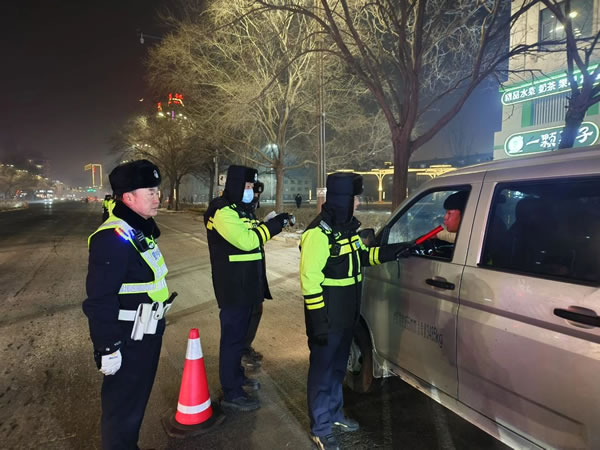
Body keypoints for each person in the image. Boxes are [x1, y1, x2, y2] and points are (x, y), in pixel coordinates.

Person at [299, 172, 411, 450]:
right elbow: (309, 280)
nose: (358, 203)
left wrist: (394, 251)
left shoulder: (348, 229)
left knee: (338, 369)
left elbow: (363, 257)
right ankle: (320, 427)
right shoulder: (318, 233)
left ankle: (334, 414)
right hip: (326, 318)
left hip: (347, 314)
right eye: (355, 199)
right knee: (322, 372)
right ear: (342, 199)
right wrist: (319, 322)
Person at [83, 159, 173, 450]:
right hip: (127, 337)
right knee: (122, 408)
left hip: (146, 333)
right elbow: (99, 298)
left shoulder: (137, 230)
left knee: (135, 403)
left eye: (157, 191)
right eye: (150, 192)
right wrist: (107, 347)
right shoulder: (112, 237)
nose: (157, 197)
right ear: (128, 197)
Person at [204, 165, 291, 412]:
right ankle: (231, 392)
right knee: (232, 340)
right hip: (233, 286)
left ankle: (237, 377)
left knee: (240, 339)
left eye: (253, 187)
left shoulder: (240, 209)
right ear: (235, 185)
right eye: (247, 186)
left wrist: (266, 223)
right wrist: (274, 226)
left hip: (248, 284)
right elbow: (247, 240)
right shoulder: (222, 211)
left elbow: (253, 233)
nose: (251, 191)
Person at [241, 181, 268, 371]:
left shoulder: (249, 211)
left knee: (256, 310)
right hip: (244, 275)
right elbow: (248, 239)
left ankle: (246, 346)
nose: (255, 197)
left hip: (255, 272)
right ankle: (241, 350)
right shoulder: (236, 213)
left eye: (257, 194)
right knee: (246, 314)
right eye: (251, 191)